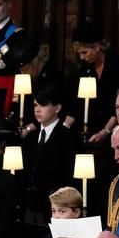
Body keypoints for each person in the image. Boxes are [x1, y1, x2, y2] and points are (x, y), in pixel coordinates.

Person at [22, 85, 76, 225]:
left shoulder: (67, 137)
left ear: (57, 108)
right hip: (27, 206)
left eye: (43, 104)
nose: (37, 109)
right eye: (35, 105)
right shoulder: (31, 138)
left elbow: (69, 175)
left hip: (54, 208)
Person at [71, 21, 119, 139]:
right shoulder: (85, 67)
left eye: (84, 52)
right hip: (89, 125)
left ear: (97, 46)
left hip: (115, 126)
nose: (81, 57)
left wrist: (105, 131)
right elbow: (78, 101)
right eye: (79, 53)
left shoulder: (118, 65)